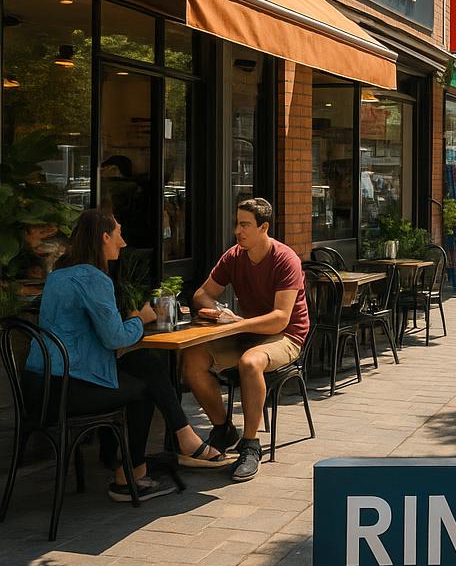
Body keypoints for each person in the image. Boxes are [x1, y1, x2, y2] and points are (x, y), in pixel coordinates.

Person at [24, 210, 230, 503]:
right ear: (104, 237)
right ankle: (131, 476)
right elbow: (115, 338)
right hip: (67, 389)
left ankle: (176, 440)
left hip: (38, 385)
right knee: (143, 390)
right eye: (118, 234)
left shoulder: (58, 275)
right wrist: (141, 317)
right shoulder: (93, 278)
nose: (122, 242)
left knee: (144, 363)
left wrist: (129, 322)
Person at [182, 198, 309, 483]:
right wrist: (219, 312)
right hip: (247, 332)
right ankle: (223, 427)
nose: (237, 231)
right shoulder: (234, 256)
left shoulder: (285, 258)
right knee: (192, 357)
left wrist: (238, 323)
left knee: (250, 362)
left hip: (287, 335)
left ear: (263, 227)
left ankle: (251, 445)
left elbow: (280, 318)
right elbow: (202, 295)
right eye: (237, 223)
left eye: (245, 225)